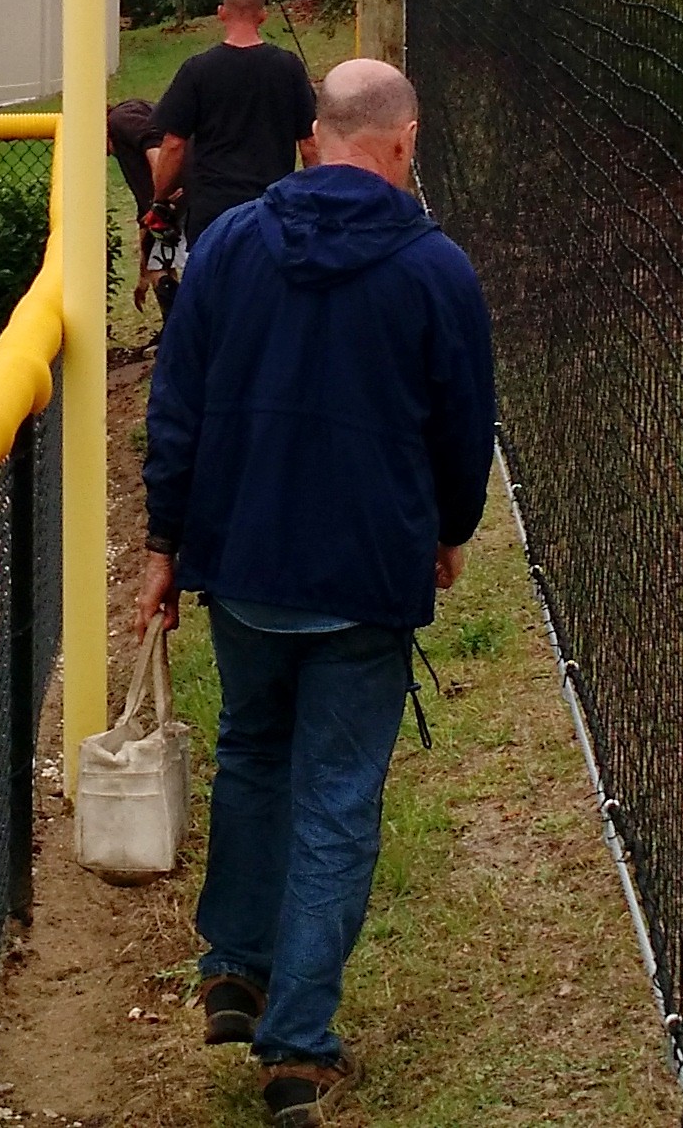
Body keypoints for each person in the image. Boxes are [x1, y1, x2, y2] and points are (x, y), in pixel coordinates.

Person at [135, 56, 497, 1122]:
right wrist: (444, 531)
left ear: (313, 135)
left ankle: (231, 964)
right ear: (403, 141)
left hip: (239, 561)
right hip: (362, 574)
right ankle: (296, 1046)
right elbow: (459, 429)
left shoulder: (233, 245)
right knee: (335, 797)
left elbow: (177, 405)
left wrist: (165, 543)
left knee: (252, 750)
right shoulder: (436, 271)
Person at [148, 0, 317, 251]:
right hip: (271, 210)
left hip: (212, 213)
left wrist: (160, 197)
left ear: (221, 13)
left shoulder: (197, 70)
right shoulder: (288, 68)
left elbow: (173, 144)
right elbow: (309, 145)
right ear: (263, 16)